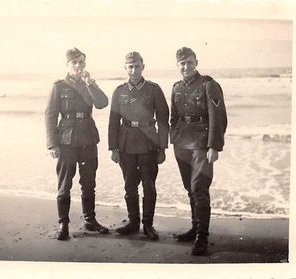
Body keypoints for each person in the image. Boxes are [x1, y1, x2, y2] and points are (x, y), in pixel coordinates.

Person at [45, 48, 109, 240]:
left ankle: (90, 220)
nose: (78, 66)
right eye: (74, 62)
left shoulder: (88, 84)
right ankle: (63, 224)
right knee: (65, 183)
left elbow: (102, 103)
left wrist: (91, 85)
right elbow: (50, 115)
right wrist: (52, 144)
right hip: (66, 140)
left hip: (88, 139)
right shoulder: (59, 86)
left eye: (81, 62)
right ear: (67, 65)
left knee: (89, 181)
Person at [170, 47, 227, 255]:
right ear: (177, 66)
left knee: (199, 188)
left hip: (202, 145)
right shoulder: (175, 87)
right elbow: (174, 116)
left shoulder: (208, 85)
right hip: (182, 145)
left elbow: (217, 116)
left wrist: (214, 146)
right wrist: (173, 137)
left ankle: (202, 238)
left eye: (190, 62)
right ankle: (195, 228)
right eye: (182, 63)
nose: (186, 67)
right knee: (189, 187)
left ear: (196, 62)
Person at [108, 51, 169, 240]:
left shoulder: (154, 89)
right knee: (129, 185)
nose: (134, 70)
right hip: (126, 145)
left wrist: (162, 148)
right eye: (130, 66)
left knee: (149, 186)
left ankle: (148, 225)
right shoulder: (119, 91)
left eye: (137, 66)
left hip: (149, 143)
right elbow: (113, 121)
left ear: (143, 66)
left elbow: (163, 120)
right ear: (125, 68)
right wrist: (113, 148)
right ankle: (133, 223)